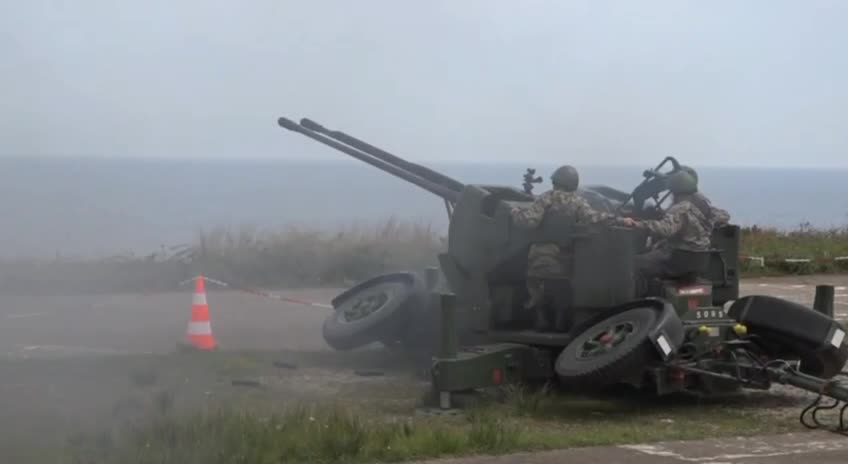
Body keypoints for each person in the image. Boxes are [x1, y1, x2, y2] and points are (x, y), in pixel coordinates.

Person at [510, 165, 617, 331]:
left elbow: (529, 222)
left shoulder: (547, 198)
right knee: (561, 288)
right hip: (564, 254)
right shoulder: (578, 201)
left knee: (536, 285)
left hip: (542, 252)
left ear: (556, 181)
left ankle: (541, 320)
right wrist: (616, 219)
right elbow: (592, 217)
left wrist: (515, 213)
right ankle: (560, 322)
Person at [619, 169, 721, 294]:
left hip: (679, 259)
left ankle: (636, 303)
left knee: (634, 264)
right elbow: (723, 215)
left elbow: (666, 229)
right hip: (700, 259)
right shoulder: (703, 204)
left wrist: (637, 224)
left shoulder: (680, 208)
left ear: (676, 189)